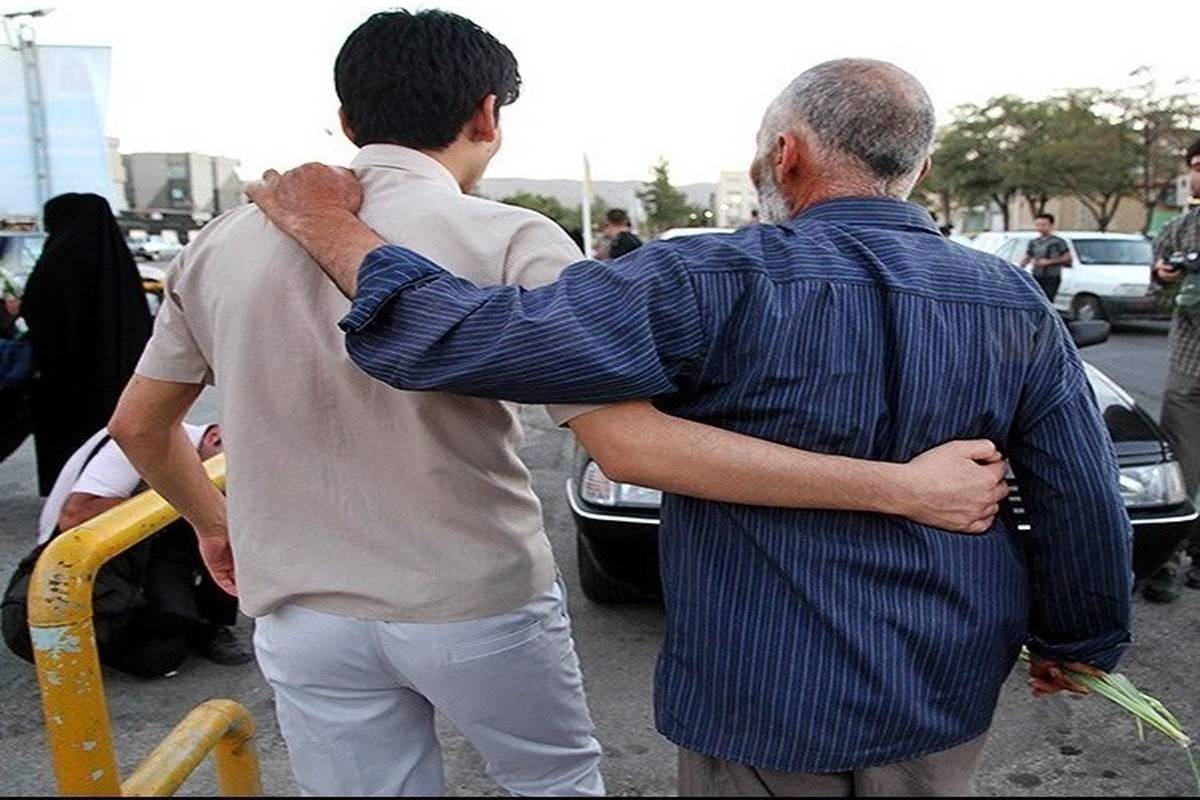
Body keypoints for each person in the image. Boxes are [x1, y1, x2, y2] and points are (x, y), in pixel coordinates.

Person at [109, 14, 1009, 798]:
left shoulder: (221, 243)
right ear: (487, 115)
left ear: (346, 121)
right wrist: (902, 489)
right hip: (472, 598)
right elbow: (631, 445)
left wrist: (215, 524)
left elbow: (139, 426)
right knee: (553, 783)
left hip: (302, 609)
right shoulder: (511, 237)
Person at [2, 423, 249, 677]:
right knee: (159, 654)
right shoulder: (149, 437)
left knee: (222, 516)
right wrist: (182, 493)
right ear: (214, 437)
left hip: (139, 548)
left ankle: (209, 621)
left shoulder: (189, 446)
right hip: (77, 558)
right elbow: (76, 516)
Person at [20, 193, 151, 495]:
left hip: (66, 377)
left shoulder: (58, 257)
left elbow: (37, 310)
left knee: (70, 441)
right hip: (121, 374)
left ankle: (71, 492)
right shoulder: (117, 263)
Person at [1141, 138, 1200, 604]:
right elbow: (1158, 303)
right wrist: (1165, 279)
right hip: (1189, 362)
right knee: (1182, 462)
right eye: (1196, 166)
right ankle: (1170, 560)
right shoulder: (1178, 231)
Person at [1019, 213, 1073, 303]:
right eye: (1038, 225)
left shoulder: (1059, 242)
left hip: (1052, 276)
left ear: (1051, 225)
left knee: (1047, 301)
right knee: (1035, 300)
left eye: (1044, 225)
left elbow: (1067, 258)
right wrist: (1021, 266)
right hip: (1036, 275)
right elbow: (1028, 256)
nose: (1040, 228)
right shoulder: (1034, 242)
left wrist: (1049, 262)